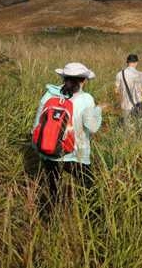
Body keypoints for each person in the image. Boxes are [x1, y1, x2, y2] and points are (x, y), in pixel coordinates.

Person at [32, 62, 104, 213]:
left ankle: (51, 217)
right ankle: (91, 216)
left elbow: (37, 125)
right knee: (89, 186)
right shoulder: (86, 99)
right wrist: (98, 110)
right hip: (75, 153)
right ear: (83, 80)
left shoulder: (49, 94)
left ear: (63, 78)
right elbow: (93, 127)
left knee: (53, 189)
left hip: (48, 150)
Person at [115, 54, 142, 128]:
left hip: (125, 105)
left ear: (127, 62)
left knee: (128, 128)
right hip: (139, 106)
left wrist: (120, 102)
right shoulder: (141, 74)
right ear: (136, 62)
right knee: (141, 128)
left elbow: (116, 91)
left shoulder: (120, 74)